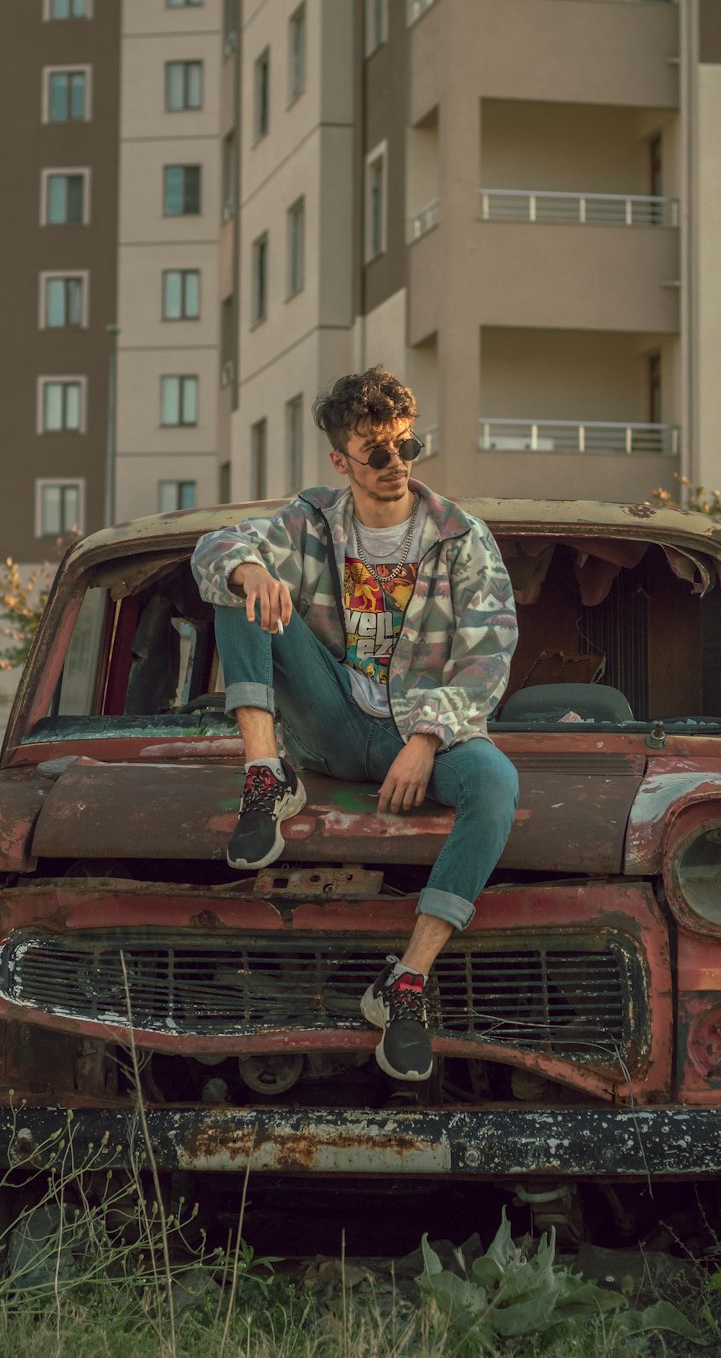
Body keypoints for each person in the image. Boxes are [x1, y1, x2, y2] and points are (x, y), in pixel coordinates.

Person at [191, 367, 519, 1083]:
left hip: (422, 734)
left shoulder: (460, 537)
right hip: (333, 725)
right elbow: (215, 549)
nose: (395, 462)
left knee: (496, 784)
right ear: (341, 460)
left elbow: (487, 651)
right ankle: (264, 775)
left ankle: (404, 983)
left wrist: (428, 740)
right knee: (235, 584)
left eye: (406, 445)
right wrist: (253, 574)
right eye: (375, 450)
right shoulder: (309, 521)